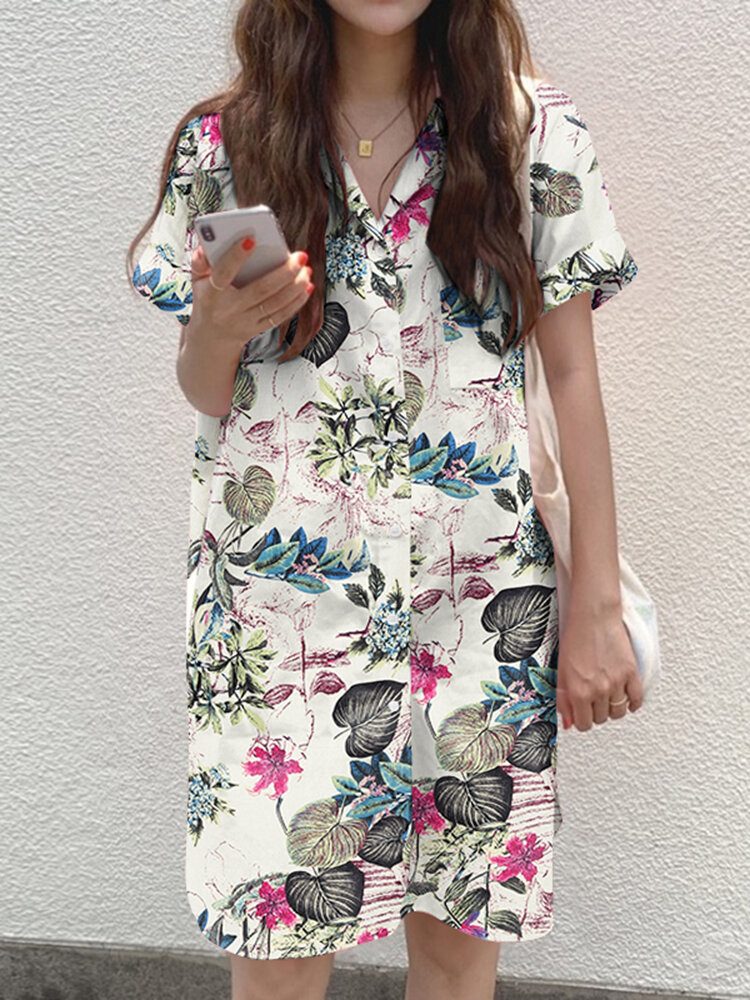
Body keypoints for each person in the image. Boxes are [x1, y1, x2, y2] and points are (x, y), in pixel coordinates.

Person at [127, 1, 644, 997]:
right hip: (279, 623)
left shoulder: (530, 134)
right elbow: (206, 391)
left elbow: (574, 375)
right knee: (279, 959)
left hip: (481, 611)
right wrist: (219, 327)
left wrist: (597, 604)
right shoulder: (228, 144)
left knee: (456, 955)